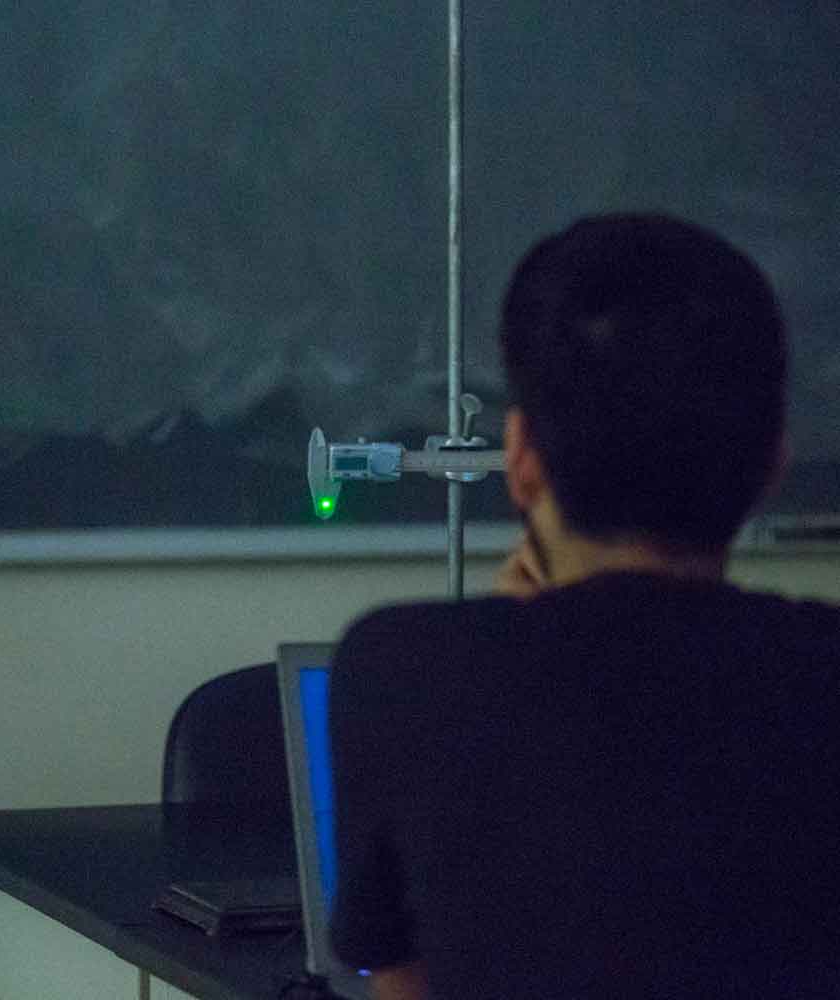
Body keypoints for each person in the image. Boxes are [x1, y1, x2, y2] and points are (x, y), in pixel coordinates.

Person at [327, 214, 840, 999]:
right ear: (774, 463)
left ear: (520, 459)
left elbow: (402, 983)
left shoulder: (401, 672)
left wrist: (499, 653)